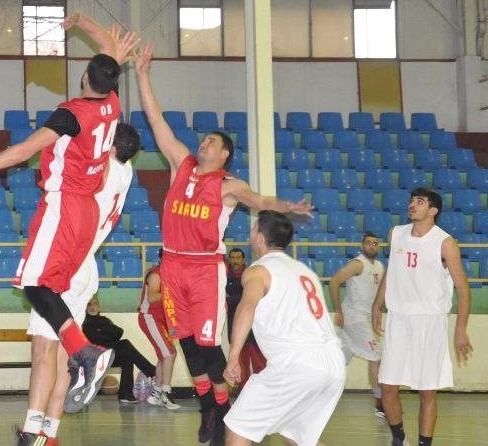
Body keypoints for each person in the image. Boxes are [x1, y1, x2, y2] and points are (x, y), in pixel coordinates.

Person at [0, 16, 139, 426]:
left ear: (85, 77)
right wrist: (85, 24)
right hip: (86, 216)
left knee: (34, 285)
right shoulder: (112, 106)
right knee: (47, 304)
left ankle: (85, 351)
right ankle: (45, 424)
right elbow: (112, 56)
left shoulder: (72, 113)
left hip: (65, 206)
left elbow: (23, 151)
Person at [133, 42, 314, 444]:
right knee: (184, 343)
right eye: (204, 141)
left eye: (212, 142)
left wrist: (286, 205)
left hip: (203, 268)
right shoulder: (180, 163)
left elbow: (260, 201)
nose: (204, 144)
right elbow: (156, 119)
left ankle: (221, 407)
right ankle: (210, 407)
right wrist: (143, 74)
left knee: (207, 345)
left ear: (225, 153)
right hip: (172, 265)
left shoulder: (228, 186)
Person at [21, 119, 140, 444]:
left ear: (110, 147)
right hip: (87, 265)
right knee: (58, 354)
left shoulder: (101, 169)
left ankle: (31, 433)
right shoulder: (126, 172)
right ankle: (50, 433)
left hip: (68, 260)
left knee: (44, 350)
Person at [223, 211, 346, 446]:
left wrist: (233, 356)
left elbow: (247, 305)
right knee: (296, 436)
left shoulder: (258, 271)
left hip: (297, 364)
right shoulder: (304, 271)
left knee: (238, 426)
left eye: (253, 228)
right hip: (332, 364)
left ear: (259, 237)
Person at [372, 188, 473, 446]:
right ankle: (399, 439)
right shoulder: (396, 234)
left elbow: (463, 289)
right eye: (411, 201)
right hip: (398, 319)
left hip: (430, 322)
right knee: (388, 386)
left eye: (420, 202)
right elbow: (392, 273)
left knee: (427, 391)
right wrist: (376, 305)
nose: (412, 205)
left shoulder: (445, 243)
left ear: (433, 210)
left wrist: (460, 329)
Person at [329, 232, 385, 417]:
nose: (372, 246)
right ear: (362, 246)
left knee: (336, 361)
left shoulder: (379, 266)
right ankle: (380, 403)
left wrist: (378, 314)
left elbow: (378, 295)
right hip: (355, 319)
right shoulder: (357, 264)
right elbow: (334, 282)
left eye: (375, 243)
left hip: (364, 320)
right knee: (376, 357)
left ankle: (310, 393)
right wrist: (339, 310)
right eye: (368, 243)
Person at [83, 296, 156, 404]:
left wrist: (101, 328)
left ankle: (126, 395)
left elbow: (118, 332)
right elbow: (94, 339)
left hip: (108, 355)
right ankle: (152, 371)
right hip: (95, 357)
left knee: (127, 358)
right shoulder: (85, 322)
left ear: (99, 307)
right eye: (89, 304)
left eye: (95, 304)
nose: (92, 307)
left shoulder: (104, 320)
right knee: (125, 344)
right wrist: (105, 331)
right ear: (86, 307)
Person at [138, 249, 180, 409]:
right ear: (163, 259)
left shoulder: (172, 276)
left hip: (162, 320)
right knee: (169, 354)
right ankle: (165, 393)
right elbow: (152, 297)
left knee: (166, 355)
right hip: (150, 317)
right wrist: (174, 294)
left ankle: (156, 393)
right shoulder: (156, 274)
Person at [225, 248, 266, 391]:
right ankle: (243, 392)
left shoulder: (251, 275)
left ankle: (262, 391)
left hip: (254, 327)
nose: (235, 261)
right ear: (229, 260)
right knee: (239, 363)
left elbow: (247, 301)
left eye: (238, 258)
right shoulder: (225, 277)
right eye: (233, 258)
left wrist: (231, 299)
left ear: (243, 260)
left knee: (259, 362)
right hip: (235, 326)